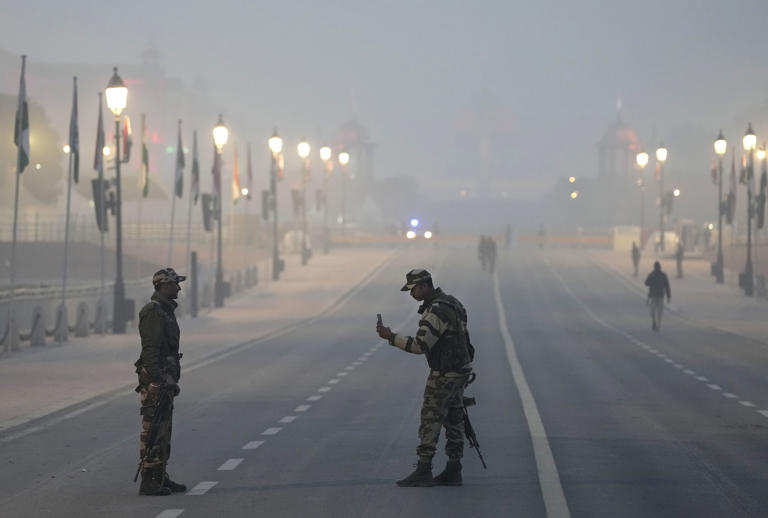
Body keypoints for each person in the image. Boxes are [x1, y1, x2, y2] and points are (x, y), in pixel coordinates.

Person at [376, 269, 474, 487]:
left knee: (431, 418)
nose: (412, 294)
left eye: (413, 289)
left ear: (425, 285)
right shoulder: (453, 303)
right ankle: (453, 468)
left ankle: (423, 469)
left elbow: (421, 346)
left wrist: (391, 337)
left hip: (444, 374)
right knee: (454, 418)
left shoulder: (436, 311)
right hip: (460, 371)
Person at [134, 268, 187, 496]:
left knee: (164, 428)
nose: (179, 288)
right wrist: (155, 381)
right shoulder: (153, 312)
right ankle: (150, 481)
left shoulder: (165, 310)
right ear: (164, 286)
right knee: (154, 429)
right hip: (157, 379)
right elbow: (150, 350)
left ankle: (160, 475)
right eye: (175, 284)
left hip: (166, 378)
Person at [644, 261, 671, 331]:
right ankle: (656, 323)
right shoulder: (662, 275)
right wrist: (668, 297)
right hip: (658, 295)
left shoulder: (656, 275)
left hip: (655, 295)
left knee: (654, 311)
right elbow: (667, 287)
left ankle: (656, 323)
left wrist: (668, 296)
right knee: (658, 312)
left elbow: (646, 283)